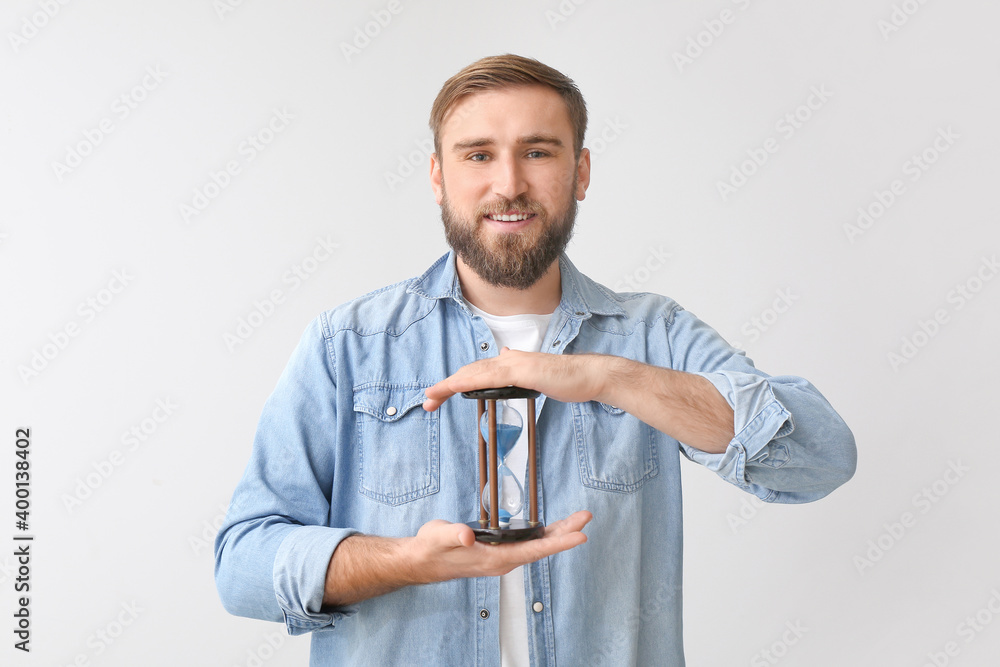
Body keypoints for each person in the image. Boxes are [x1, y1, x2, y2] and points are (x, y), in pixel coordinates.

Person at [214, 54, 857, 666]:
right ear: (438, 176)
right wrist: (404, 560)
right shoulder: (347, 344)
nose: (509, 184)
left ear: (580, 171)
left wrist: (605, 376)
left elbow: (819, 460)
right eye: (478, 155)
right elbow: (242, 564)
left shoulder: (651, 335)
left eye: (537, 151)